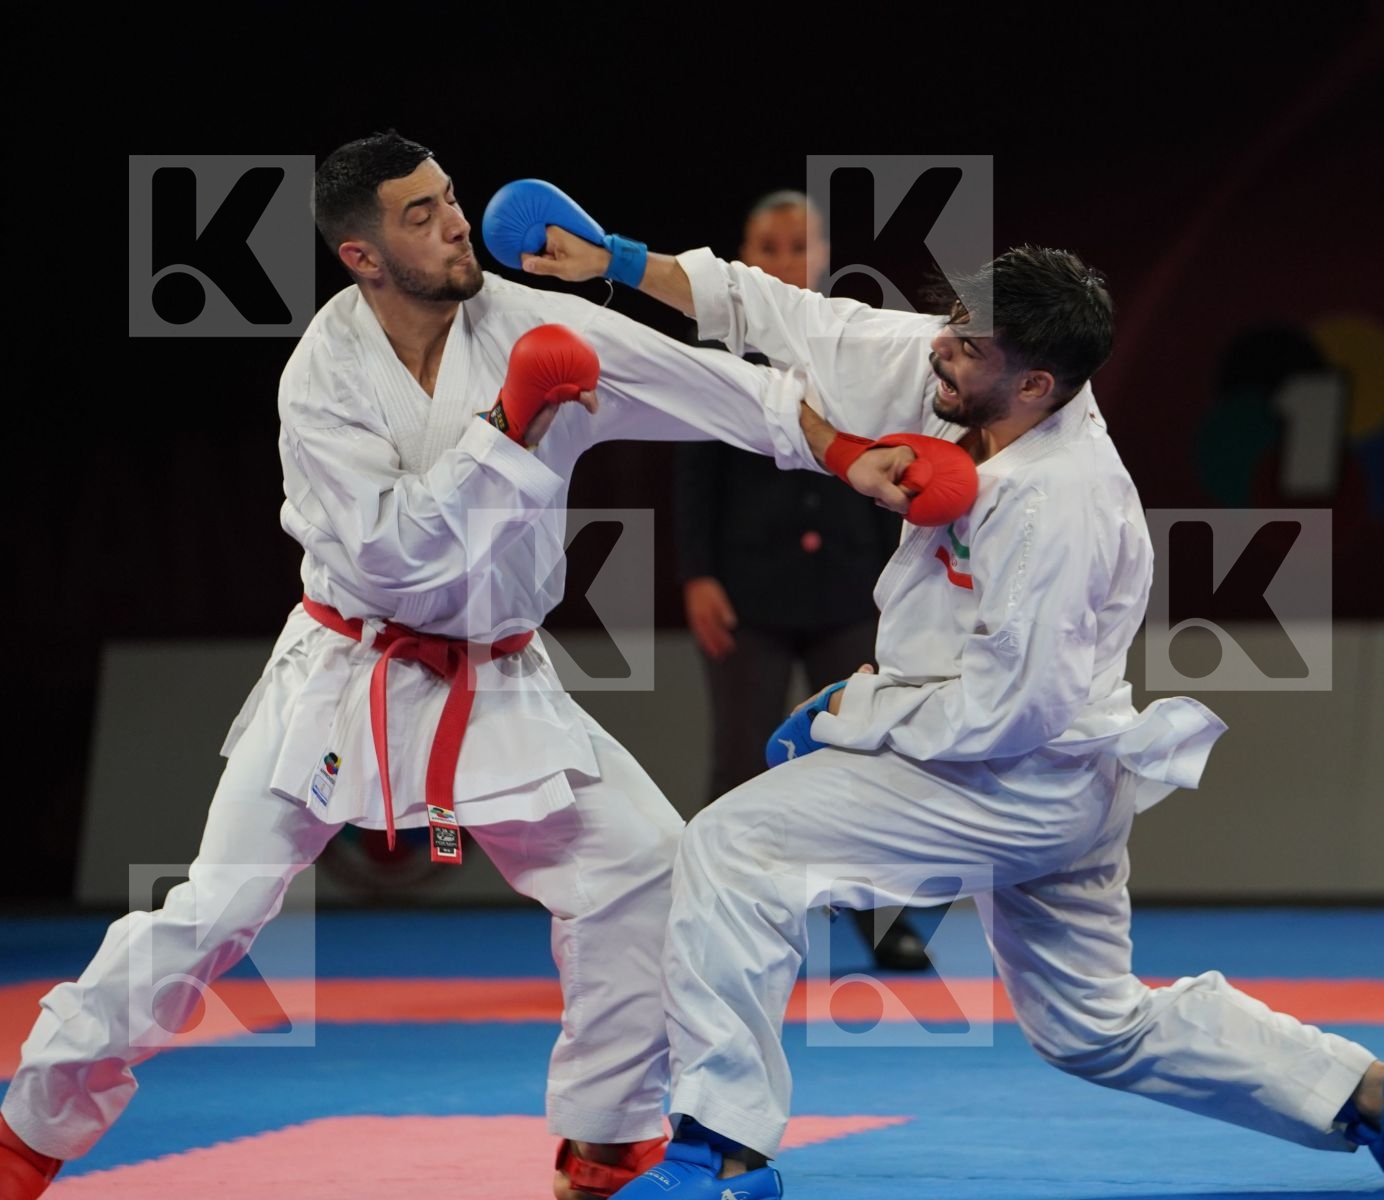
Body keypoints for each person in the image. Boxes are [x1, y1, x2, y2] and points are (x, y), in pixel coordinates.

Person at [0, 133, 885, 1200]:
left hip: (500, 675)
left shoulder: (530, 322)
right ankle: (26, 1134)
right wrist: (510, 425)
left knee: (645, 871)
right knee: (213, 913)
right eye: (419, 215)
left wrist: (841, 451)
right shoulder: (321, 381)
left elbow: (702, 385)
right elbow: (394, 554)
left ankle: (608, 1140)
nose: (456, 221)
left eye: (450, 198)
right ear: (362, 256)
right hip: (346, 670)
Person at [515, 225, 1384, 1198]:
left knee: (731, 847)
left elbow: (1010, 713)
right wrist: (622, 264)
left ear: (1038, 387)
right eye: (955, 325)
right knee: (1095, 1028)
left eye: (967, 345)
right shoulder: (973, 371)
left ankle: (720, 1150)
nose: (941, 348)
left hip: (1020, 776)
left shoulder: (1061, 503)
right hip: (1039, 770)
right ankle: (1372, 1094)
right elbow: (799, 319)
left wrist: (852, 711)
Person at [674, 190, 926, 971]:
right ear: (746, 258)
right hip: (747, 588)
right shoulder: (717, 347)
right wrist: (696, 575)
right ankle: (721, 918)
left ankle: (889, 923)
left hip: (853, 585)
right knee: (739, 755)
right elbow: (692, 473)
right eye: (769, 246)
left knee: (869, 758)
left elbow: (896, 465)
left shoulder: (855, 340)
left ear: (822, 255)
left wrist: (904, 585)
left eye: (799, 245)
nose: (785, 259)